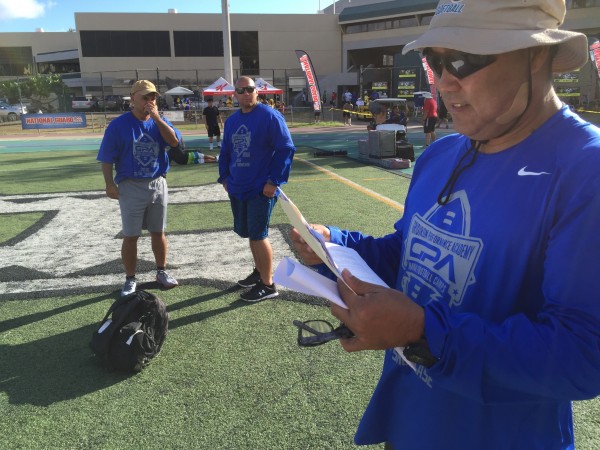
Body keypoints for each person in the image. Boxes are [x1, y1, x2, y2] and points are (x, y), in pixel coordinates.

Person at [289, 1, 600, 448]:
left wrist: (423, 331)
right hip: (409, 422)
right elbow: (410, 253)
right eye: (435, 61)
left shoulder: (585, 170)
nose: (444, 80)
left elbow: (583, 356)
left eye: (464, 60)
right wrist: (336, 246)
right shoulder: (441, 154)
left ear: (537, 55)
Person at [97, 80, 180, 297]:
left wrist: (157, 119)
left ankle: (161, 271)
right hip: (130, 185)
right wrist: (109, 183)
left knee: (158, 232)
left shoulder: (159, 122)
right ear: (132, 98)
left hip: (157, 182)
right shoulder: (118, 125)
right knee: (131, 235)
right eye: (144, 97)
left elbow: (174, 143)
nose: (149, 101)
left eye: (152, 97)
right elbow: (106, 158)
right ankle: (130, 278)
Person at [218, 76, 296, 302]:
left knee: (258, 235)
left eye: (249, 89)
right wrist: (224, 178)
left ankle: (268, 284)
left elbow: (285, 149)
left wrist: (274, 181)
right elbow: (226, 151)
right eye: (240, 90)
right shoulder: (232, 121)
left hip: (260, 188)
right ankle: (259, 271)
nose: (245, 93)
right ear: (235, 94)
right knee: (249, 233)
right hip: (237, 186)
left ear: (257, 91)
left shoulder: (270, 116)